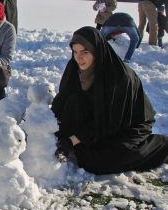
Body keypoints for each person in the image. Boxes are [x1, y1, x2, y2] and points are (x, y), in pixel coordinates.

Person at [51, 26, 168, 175]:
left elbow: (110, 120)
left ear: (96, 51)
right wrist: (48, 124)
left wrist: (73, 139)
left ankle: (161, 145)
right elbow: (63, 99)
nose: (78, 58)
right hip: (96, 121)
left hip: (125, 125)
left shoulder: (118, 77)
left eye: (85, 52)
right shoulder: (74, 68)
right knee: (75, 146)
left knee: (99, 161)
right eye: (75, 52)